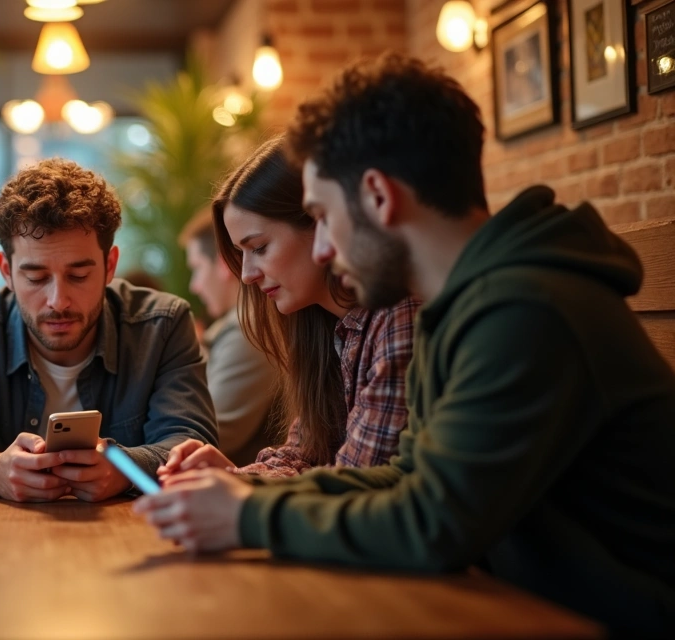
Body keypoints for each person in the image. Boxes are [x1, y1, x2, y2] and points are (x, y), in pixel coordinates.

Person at [136, 54, 675, 634]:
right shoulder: (467, 306)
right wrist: (240, 494)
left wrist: (246, 516)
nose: (322, 250)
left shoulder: (528, 310)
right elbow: (404, 479)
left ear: (377, 196)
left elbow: (434, 523)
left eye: (322, 214)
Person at [0, 158, 218, 503]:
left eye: (78, 276)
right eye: (35, 278)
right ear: (7, 271)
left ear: (110, 266)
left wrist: (124, 469)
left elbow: (191, 441)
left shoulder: (162, 325)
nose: (58, 301)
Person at [158, 138, 417, 480]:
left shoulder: (396, 314)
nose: (247, 275)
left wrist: (242, 488)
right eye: (241, 254)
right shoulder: (322, 327)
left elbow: (356, 482)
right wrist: (238, 477)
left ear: (320, 222)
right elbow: (303, 455)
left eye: (260, 248)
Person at [177, 210, 286, 466]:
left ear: (223, 264)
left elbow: (209, 434)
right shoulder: (238, 326)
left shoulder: (248, 329)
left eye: (197, 268)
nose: (195, 285)